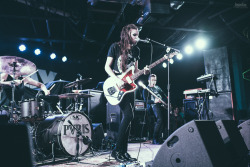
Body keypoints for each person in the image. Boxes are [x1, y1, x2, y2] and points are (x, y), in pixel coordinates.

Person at [104, 24, 149, 163]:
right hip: (117, 84)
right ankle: (117, 150)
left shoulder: (137, 50)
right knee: (129, 115)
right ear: (127, 35)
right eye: (134, 34)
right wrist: (117, 79)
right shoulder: (115, 47)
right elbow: (107, 67)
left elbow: (135, 71)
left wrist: (144, 71)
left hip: (130, 87)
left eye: (138, 34)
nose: (137, 37)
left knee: (129, 118)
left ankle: (123, 152)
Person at [142, 74, 168, 144]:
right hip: (153, 105)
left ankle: (159, 138)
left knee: (163, 121)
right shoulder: (146, 89)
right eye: (153, 80)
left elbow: (164, 96)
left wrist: (167, 102)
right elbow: (145, 101)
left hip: (161, 105)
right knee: (160, 120)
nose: (154, 82)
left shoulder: (158, 88)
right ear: (149, 81)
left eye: (155, 80)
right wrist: (154, 101)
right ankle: (155, 138)